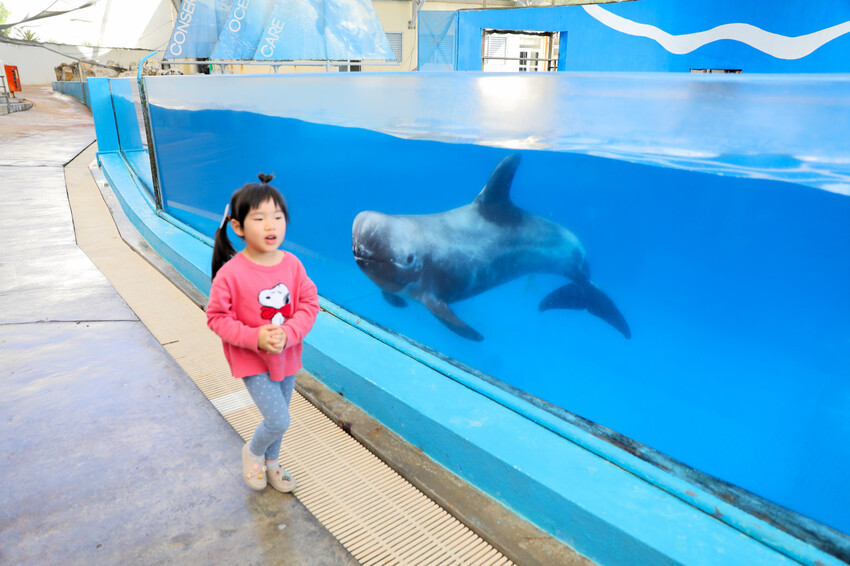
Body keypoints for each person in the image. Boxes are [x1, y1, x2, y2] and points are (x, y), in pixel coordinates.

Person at [206, 173, 320, 493]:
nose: (271, 226)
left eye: (278, 217)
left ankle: (272, 463)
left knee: (280, 416)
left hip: (287, 355)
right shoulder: (232, 273)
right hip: (253, 361)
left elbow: (310, 303)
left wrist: (292, 333)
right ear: (238, 227)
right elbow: (216, 317)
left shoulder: (293, 265)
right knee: (278, 420)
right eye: (259, 218)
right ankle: (253, 453)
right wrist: (255, 337)